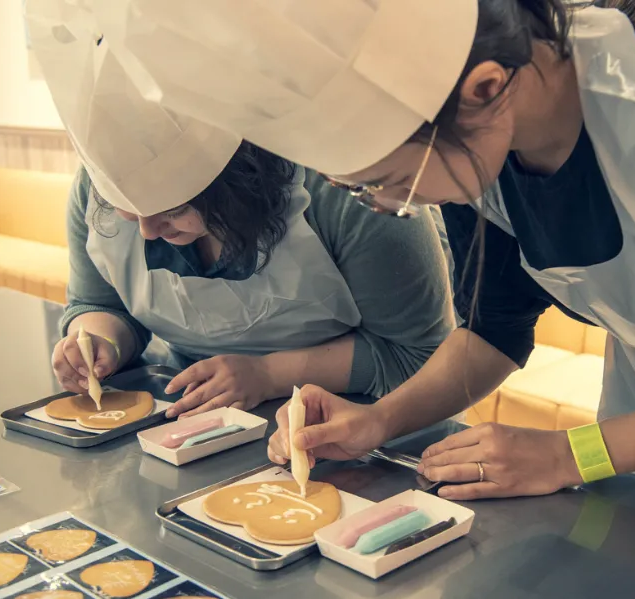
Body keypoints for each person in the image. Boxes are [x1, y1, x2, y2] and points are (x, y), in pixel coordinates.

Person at [111, 0, 635, 524]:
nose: (384, 205)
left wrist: (570, 455)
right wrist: (377, 420)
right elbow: (495, 330)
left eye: (386, 183)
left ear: (484, 87)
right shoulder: (483, 144)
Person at [26, 5, 456, 417]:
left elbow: (420, 356)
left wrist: (269, 375)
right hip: (199, 416)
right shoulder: (93, 194)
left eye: (173, 210)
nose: (148, 232)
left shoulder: (346, 193)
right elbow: (100, 303)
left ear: (241, 185)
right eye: (126, 210)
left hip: (366, 419)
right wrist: (97, 343)